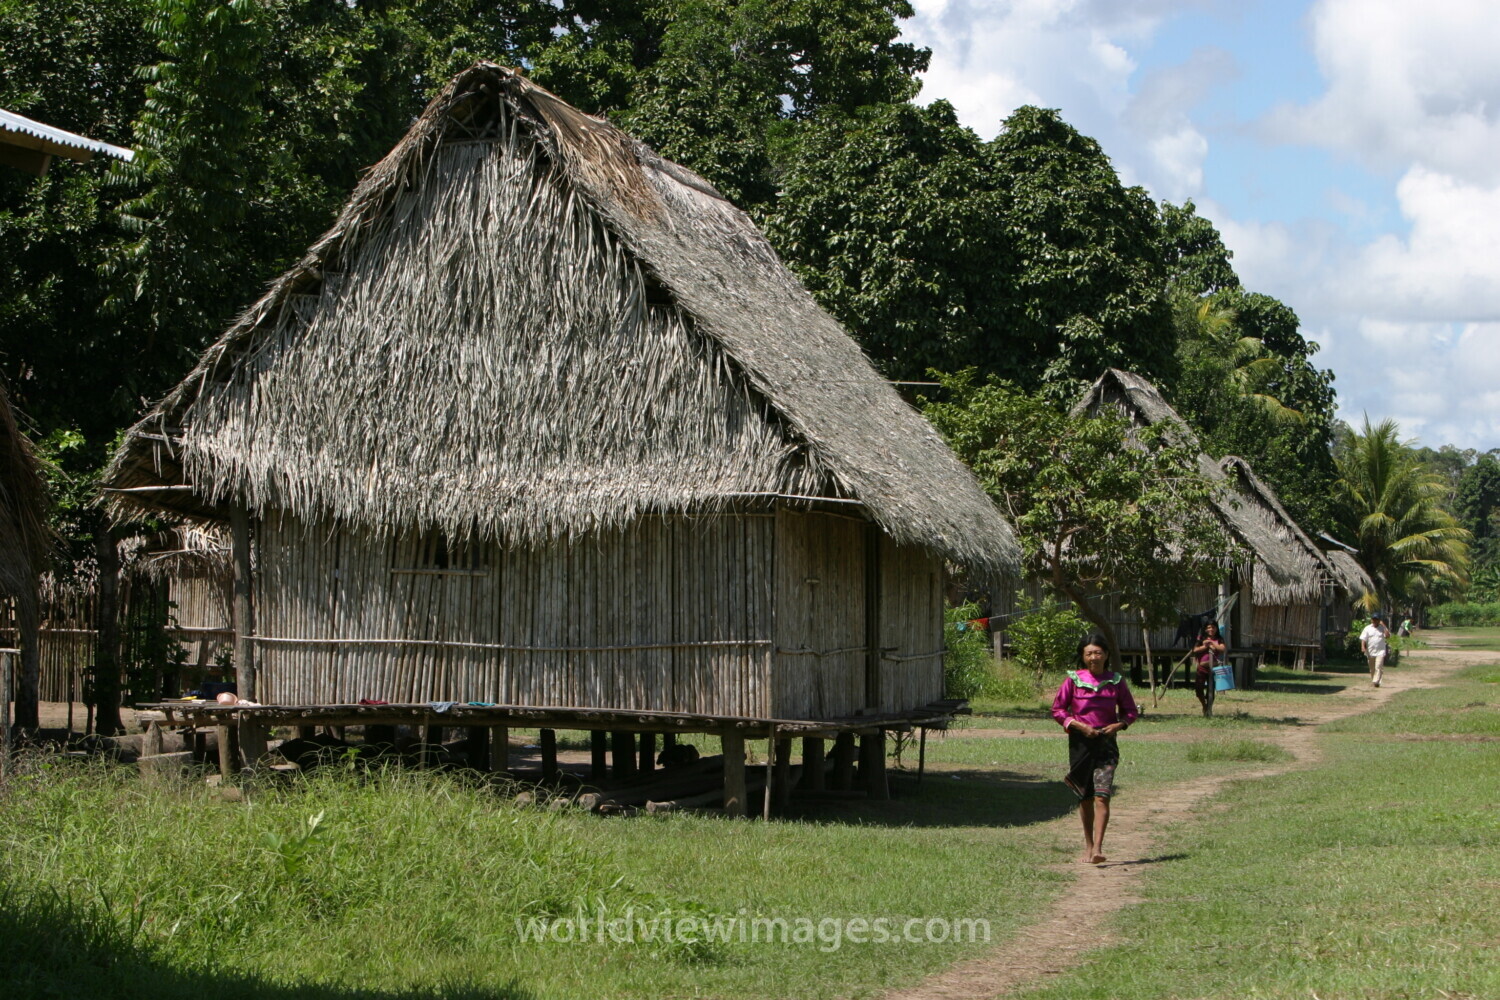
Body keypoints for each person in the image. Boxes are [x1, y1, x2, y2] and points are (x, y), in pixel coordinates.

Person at [1051, 635, 1140, 865]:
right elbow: (1058, 710)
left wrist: (1118, 725)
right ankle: (1088, 845)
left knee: (1103, 796)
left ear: (1107, 655)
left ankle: (1099, 848)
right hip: (1081, 744)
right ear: (1083, 656)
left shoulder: (1116, 681)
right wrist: (1080, 726)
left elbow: (1130, 711)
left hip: (1106, 743)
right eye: (1089, 653)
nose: (1094, 657)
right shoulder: (1072, 680)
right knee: (1085, 796)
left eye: (1098, 653)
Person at [1190, 621, 1227, 718]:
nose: (1211, 629)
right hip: (1202, 668)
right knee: (1199, 689)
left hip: (1213, 669)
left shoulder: (1219, 639)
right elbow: (1195, 650)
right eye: (1209, 627)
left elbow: (1222, 649)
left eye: (1213, 627)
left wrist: (1212, 644)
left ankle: (1209, 709)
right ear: (1205, 629)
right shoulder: (1201, 638)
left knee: (1211, 690)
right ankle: (1204, 706)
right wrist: (1205, 646)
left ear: (1216, 629)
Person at [1361, 614, 1391, 687]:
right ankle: (1375, 681)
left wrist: (1384, 626)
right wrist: (1363, 647)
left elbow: (1388, 636)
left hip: (1380, 651)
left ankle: (1376, 681)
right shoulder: (1367, 628)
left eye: (1376, 619)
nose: (1374, 621)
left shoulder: (1382, 628)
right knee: (1372, 669)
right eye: (1373, 619)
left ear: (1379, 620)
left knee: (1378, 666)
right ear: (1371, 620)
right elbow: (1363, 639)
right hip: (1370, 652)